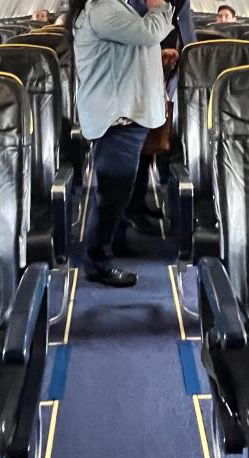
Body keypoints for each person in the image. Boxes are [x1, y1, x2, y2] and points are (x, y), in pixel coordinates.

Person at [70, 0, 175, 287]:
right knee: (112, 194)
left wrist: (155, 57)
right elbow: (148, 33)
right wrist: (160, 7)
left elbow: (130, 50)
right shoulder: (104, 8)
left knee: (122, 188)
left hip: (127, 115)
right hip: (118, 120)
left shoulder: (115, 8)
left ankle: (115, 240)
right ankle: (97, 261)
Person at [122, 0, 194, 250]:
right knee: (130, 145)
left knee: (150, 143)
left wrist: (186, 56)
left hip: (164, 75)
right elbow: (131, 35)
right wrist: (155, 55)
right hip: (130, 79)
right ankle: (125, 217)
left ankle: (137, 203)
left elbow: (185, 31)